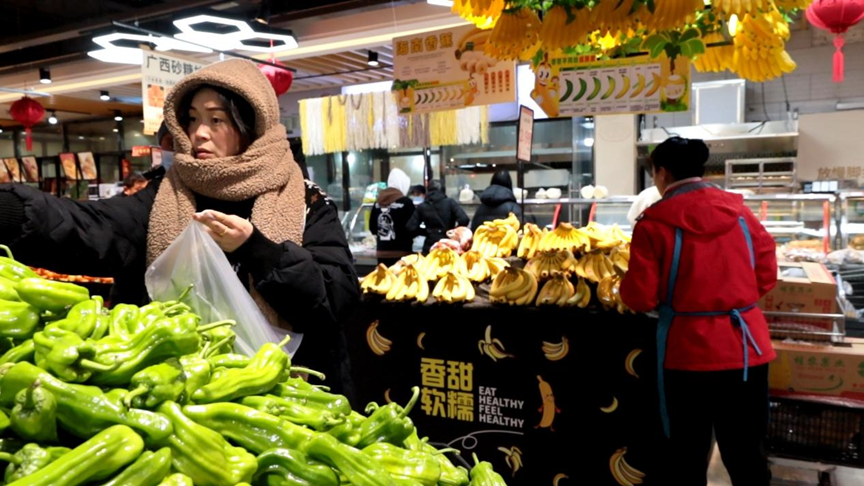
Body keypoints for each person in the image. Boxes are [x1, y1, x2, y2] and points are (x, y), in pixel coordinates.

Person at [0, 59, 360, 397]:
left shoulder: (305, 202)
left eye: (216, 120)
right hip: (178, 396)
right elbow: (90, 228)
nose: (199, 133)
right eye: (192, 119)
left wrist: (257, 250)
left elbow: (336, 299)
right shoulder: (163, 197)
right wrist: (11, 211)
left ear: (253, 127)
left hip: (289, 399)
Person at [619, 137, 777, 486]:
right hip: (746, 348)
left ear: (662, 173)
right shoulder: (741, 213)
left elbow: (640, 297)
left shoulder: (653, 223)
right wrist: (732, 299)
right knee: (747, 455)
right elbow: (767, 273)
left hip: (687, 354)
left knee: (687, 455)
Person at [407, 180, 469, 253]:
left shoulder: (422, 206)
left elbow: (410, 227)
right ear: (443, 190)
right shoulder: (450, 202)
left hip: (429, 246)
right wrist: (453, 232)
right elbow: (464, 219)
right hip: (448, 244)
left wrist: (426, 232)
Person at [369, 169, 416, 267]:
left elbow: (372, 228)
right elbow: (412, 227)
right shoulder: (406, 202)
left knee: (384, 276)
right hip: (402, 253)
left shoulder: (377, 202)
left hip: (382, 252)